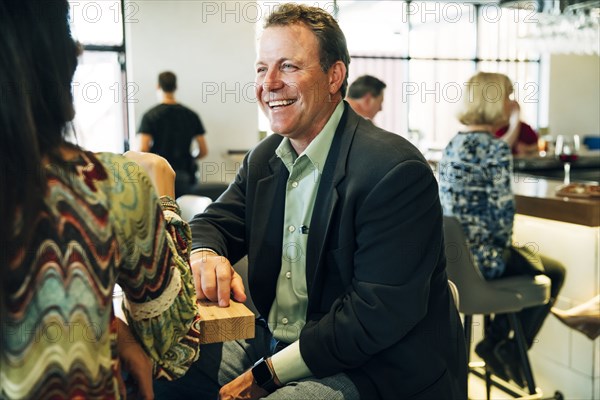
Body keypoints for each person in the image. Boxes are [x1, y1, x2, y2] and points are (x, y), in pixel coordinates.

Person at [155, 4, 467, 400]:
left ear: (334, 76)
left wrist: (268, 375)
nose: (269, 83)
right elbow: (212, 223)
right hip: (271, 343)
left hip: (371, 365)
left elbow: (375, 316)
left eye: (288, 67)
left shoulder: (395, 170)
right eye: (261, 68)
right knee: (162, 370)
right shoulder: (265, 158)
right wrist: (203, 254)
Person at [0, 2, 201, 399]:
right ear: (62, 60)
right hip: (178, 179)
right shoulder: (111, 184)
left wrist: (112, 326)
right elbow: (176, 345)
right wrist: (162, 200)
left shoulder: (150, 118)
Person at [439, 71, 566, 387]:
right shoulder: (494, 149)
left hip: (454, 265)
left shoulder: (454, 143)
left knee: (520, 260)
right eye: (508, 95)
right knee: (555, 271)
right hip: (484, 263)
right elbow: (502, 216)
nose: (512, 102)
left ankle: (494, 345)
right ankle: (506, 348)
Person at [138, 71, 208, 197]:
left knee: (162, 213)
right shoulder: (191, 115)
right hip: (185, 173)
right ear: (176, 87)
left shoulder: (150, 116)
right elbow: (203, 150)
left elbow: (143, 149)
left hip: (159, 174)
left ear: (158, 86)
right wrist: (190, 157)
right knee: (185, 211)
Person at [491, 74, 539, 156]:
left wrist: (528, 149)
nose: (512, 102)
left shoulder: (524, 128)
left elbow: (537, 147)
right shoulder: (490, 129)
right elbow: (501, 150)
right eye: (507, 97)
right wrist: (515, 121)